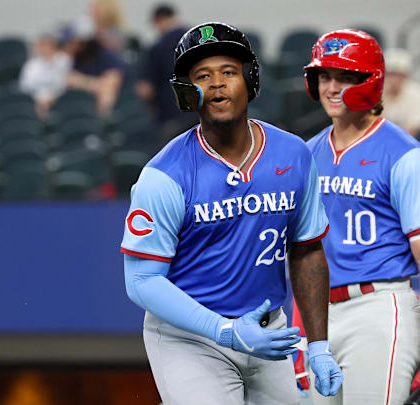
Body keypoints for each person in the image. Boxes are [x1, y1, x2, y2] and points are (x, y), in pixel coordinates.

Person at [120, 22, 342, 405]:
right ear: (188, 93)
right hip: (189, 339)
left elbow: (307, 250)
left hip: (270, 332)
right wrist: (223, 331)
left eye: (229, 72)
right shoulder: (164, 175)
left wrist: (319, 345)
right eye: (203, 76)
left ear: (250, 81)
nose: (218, 84)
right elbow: (140, 280)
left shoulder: (293, 154)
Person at [296, 29, 420, 405]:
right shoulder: (306, 155)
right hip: (319, 319)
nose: (332, 87)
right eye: (324, 76)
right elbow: (302, 254)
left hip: (378, 311)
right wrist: (298, 331)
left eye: (345, 76)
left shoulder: (407, 155)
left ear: (370, 81)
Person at [136, 4, 195, 146]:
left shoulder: (157, 48)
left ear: (158, 20)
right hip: (200, 114)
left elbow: (145, 90)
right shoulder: (196, 40)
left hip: (171, 117)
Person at [63, 16, 126, 116]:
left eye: (73, 42)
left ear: (84, 43)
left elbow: (110, 85)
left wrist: (81, 82)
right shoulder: (72, 60)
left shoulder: (107, 57)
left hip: (108, 111)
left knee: (107, 95)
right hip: (79, 110)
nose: (69, 46)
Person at [19, 32, 72, 119]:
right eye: (41, 45)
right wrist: (41, 97)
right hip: (37, 99)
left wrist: (52, 96)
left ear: (53, 45)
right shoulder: (31, 65)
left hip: (60, 97)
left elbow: (65, 82)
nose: (44, 48)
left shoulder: (63, 60)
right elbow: (25, 86)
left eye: (46, 45)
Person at [381, 48, 420, 136]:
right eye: (390, 74)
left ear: (406, 76)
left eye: (398, 75)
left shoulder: (418, 93)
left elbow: (414, 128)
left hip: (410, 144)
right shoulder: (376, 92)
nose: (393, 79)